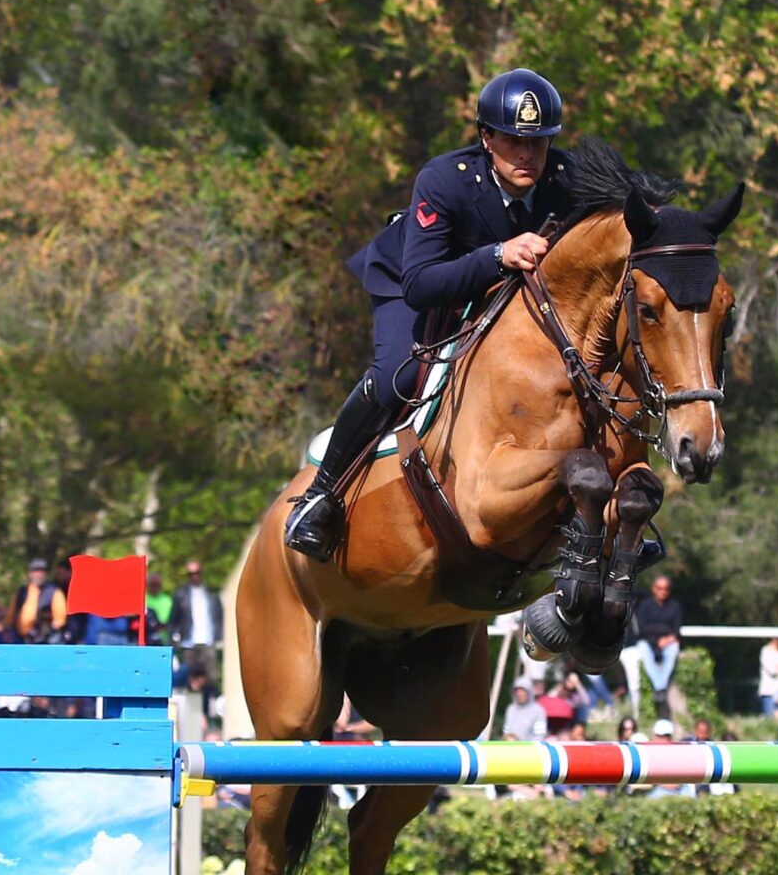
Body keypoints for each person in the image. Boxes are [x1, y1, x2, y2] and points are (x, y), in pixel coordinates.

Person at [285, 69, 576, 561]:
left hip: (500, 291)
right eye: (513, 141)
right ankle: (321, 495)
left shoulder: (567, 180)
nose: (527, 155)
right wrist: (497, 255)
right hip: (416, 282)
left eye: (538, 142)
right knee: (399, 373)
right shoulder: (445, 179)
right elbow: (421, 283)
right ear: (486, 138)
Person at [623, 574, 688, 720]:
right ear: (654, 589)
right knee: (643, 650)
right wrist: (656, 640)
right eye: (659, 588)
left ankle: (659, 688)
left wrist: (668, 639)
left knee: (673, 650)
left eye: (665, 589)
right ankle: (661, 687)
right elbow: (642, 629)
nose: (662, 591)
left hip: (668, 642)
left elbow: (676, 630)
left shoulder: (675, 606)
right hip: (648, 642)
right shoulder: (645, 605)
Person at [170, 560, 225, 705]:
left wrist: (219, 637)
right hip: (188, 643)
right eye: (191, 574)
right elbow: (173, 620)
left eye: (197, 573)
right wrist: (174, 641)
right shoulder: (181, 595)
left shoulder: (211, 594)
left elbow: (219, 616)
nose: (194, 576)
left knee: (211, 678)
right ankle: (190, 712)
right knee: (189, 679)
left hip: (208, 641)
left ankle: (208, 712)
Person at [9, 559, 67, 642]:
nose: (38, 574)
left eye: (41, 571)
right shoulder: (22, 591)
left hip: (47, 640)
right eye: (35, 571)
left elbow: (60, 619)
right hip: (22, 639)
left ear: (46, 574)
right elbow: (11, 615)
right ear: (30, 573)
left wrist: (47, 632)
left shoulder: (54, 591)